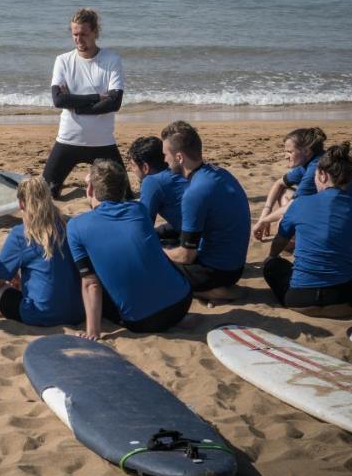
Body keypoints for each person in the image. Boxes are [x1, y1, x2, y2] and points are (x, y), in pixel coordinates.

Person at [67, 161, 192, 339]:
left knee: (86, 275)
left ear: (90, 190)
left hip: (142, 321)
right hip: (181, 303)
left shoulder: (76, 226)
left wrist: (92, 332)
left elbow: (91, 284)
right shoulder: (139, 210)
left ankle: (95, 326)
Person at [264, 143, 352, 315]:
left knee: (272, 264)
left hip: (299, 300)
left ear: (322, 175)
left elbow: (279, 241)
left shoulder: (301, 203)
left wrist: (272, 257)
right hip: (344, 301)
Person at [0, 177, 83, 327]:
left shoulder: (21, 234)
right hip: (78, 312)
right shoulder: (70, 224)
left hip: (41, 314)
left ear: (21, 204)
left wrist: (11, 275)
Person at [42, 7, 126, 199]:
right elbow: (59, 100)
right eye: (75, 34)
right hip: (68, 139)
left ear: (95, 32)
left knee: (123, 196)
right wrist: (95, 98)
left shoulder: (111, 60)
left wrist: (75, 106)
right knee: (47, 194)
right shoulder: (63, 60)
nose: (79, 40)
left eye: (84, 34)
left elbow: (114, 103)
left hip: (103, 142)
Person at [162, 122, 251, 295]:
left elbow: (186, 256)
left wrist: (159, 251)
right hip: (236, 266)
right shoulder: (221, 173)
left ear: (179, 157)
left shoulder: (195, 193)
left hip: (215, 272)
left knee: (153, 261)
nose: (164, 160)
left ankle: (213, 292)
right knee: (170, 243)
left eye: (166, 155)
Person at [253, 128, 327, 240]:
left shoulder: (315, 168)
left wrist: (264, 221)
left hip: (334, 222)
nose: (285, 156)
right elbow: (279, 184)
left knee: (283, 227)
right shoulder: (309, 162)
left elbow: (294, 206)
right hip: (324, 211)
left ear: (307, 151)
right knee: (284, 191)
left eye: (290, 152)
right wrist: (266, 212)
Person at [128, 135, 186, 243]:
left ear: (145, 167)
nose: (131, 169)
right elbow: (183, 220)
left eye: (132, 165)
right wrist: (160, 231)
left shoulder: (152, 182)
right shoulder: (182, 171)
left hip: (204, 248)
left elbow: (144, 228)